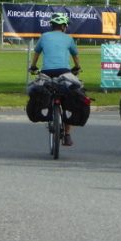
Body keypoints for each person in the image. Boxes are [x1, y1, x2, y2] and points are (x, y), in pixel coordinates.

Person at [29, 12, 82, 146]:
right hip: (64, 72)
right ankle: (68, 134)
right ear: (63, 26)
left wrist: (33, 66)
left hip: (47, 72)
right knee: (71, 98)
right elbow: (75, 56)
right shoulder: (68, 38)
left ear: (52, 25)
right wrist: (77, 67)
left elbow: (36, 53)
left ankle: (48, 112)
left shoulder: (44, 37)